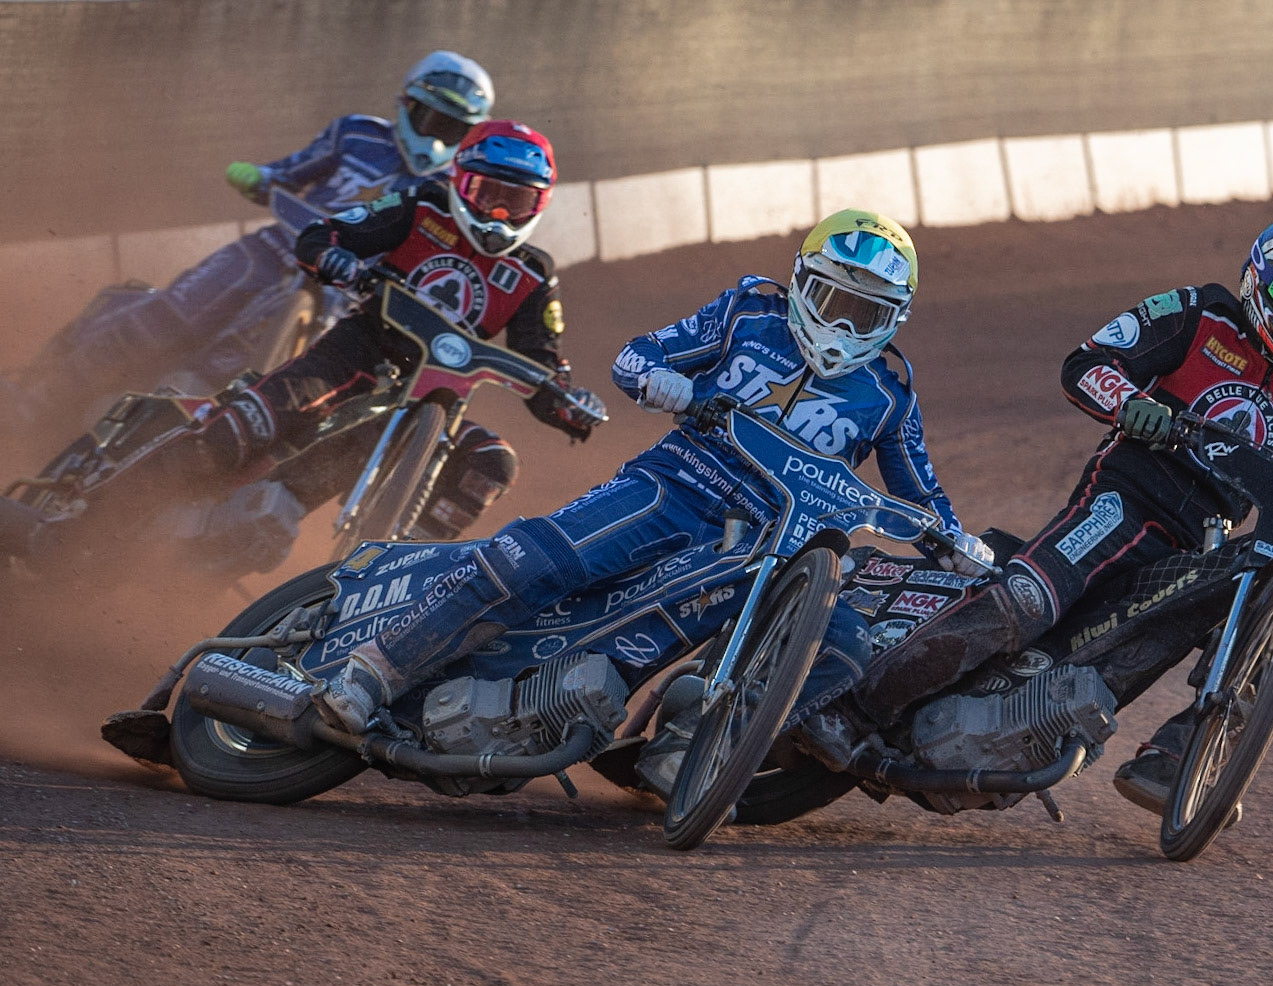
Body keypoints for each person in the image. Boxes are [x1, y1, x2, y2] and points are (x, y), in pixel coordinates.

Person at [316, 208, 995, 778]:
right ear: (799, 285)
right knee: (534, 558)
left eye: (865, 312)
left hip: (769, 551)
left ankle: (688, 751)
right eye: (831, 300)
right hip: (674, 488)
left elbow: (922, 501)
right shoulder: (747, 314)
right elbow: (636, 357)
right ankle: (375, 668)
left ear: (894, 317)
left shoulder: (890, 395)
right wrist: (666, 384)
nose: (843, 325)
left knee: (842, 648)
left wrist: (958, 546)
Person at [854, 209, 1273, 816]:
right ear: (1260, 279)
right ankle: (856, 708)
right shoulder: (1200, 314)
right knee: (1028, 600)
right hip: (1127, 498)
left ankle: (1178, 762)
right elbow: (1087, 364)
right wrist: (1130, 406)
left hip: (1204, 549)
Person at [4, 50, 495, 434]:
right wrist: (259, 178)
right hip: (276, 246)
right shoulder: (357, 134)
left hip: (343, 292)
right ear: (407, 104)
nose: (436, 137)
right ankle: (37, 401)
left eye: (453, 128)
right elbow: (290, 171)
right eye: (431, 119)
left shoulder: (447, 194)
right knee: (169, 314)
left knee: (283, 388)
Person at [179, 119, 603, 554]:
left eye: (516, 201)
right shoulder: (424, 205)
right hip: (351, 359)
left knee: (491, 462)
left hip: (430, 403)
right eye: (487, 194)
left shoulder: (534, 274)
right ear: (460, 182)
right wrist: (337, 259)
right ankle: (120, 499)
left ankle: (401, 567)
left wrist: (570, 405)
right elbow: (323, 235)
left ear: (540, 204)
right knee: (226, 439)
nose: (498, 213)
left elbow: (541, 368)